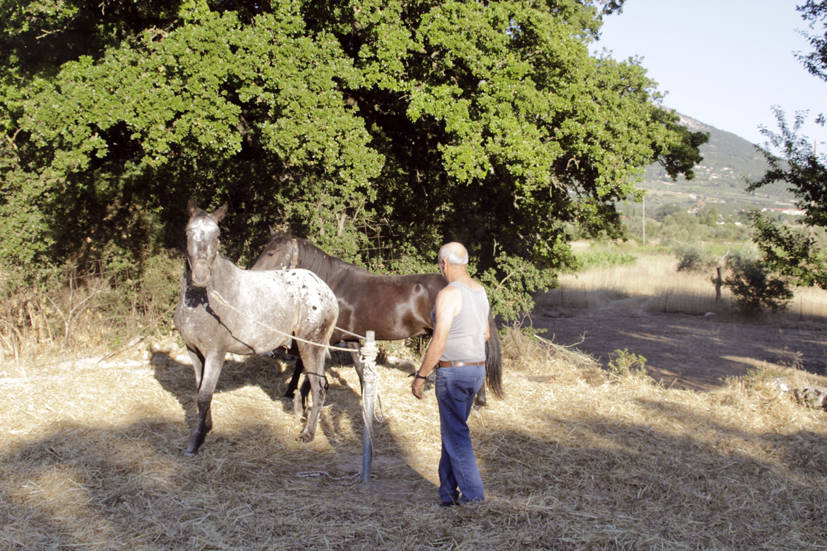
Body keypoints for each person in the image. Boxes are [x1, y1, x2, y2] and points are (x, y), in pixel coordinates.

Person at [411, 242, 490, 506]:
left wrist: (421, 375)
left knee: (456, 435)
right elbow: (486, 334)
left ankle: (473, 497)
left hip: (454, 374)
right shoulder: (480, 291)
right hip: (477, 370)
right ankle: (447, 494)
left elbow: (439, 342)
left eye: (439, 265)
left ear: (444, 264)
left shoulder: (448, 294)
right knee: (453, 432)